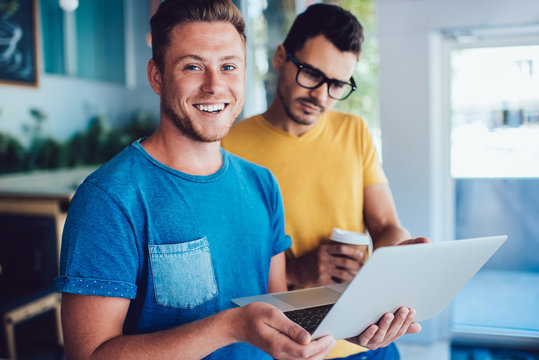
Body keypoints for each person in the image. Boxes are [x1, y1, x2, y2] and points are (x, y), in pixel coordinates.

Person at [56, 1, 419, 359]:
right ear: (157, 76)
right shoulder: (108, 198)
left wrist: (358, 328)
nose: (215, 86)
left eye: (229, 66)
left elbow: (282, 316)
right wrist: (230, 326)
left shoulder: (262, 184)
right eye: (193, 66)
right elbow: (88, 355)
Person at [222, 3, 427, 359]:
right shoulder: (228, 146)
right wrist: (297, 269)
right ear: (280, 57)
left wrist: (395, 260)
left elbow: (386, 226)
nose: (321, 96)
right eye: (312, 75)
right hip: (287, 345)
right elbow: (227, 266)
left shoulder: (355, 132)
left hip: (366, 340)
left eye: (336, 84)